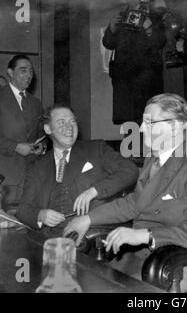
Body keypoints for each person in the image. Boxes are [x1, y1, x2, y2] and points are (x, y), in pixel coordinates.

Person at [64, 93, 187, 278]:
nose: (141, 129)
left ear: (174, 127)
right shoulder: (154, 158)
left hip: (163, 262)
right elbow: (136, 202)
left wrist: (146, 235)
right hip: (134, 257)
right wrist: (88, 219)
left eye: (149, 123)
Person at [16, 104, 139, 237]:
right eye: (61, 122)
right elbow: (23, 209)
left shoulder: (96, 149)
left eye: (72, 121)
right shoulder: (37, 166)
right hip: (49, 237)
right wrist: (41, 215)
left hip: (89, 235)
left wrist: (94, 190)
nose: (69, 127)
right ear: (48, 129)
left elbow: (129, 170)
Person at [103, 0, 166, 124]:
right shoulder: (121, 16)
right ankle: (132, 143)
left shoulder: (155, 16)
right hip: (125, 78)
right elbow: (108, 43)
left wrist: (148, 28)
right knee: (129, 121)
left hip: (147, 77)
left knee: (150, 119)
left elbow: (160, 42)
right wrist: (112, 28)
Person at [0, 55, 45, 207]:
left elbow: (41, 134)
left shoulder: (36, 103)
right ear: (10, 72)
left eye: (31, 71)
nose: (28, 75)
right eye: (23, 70)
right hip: (5, 176)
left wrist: (41, 146)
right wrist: (16, 146)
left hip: (31, 176)